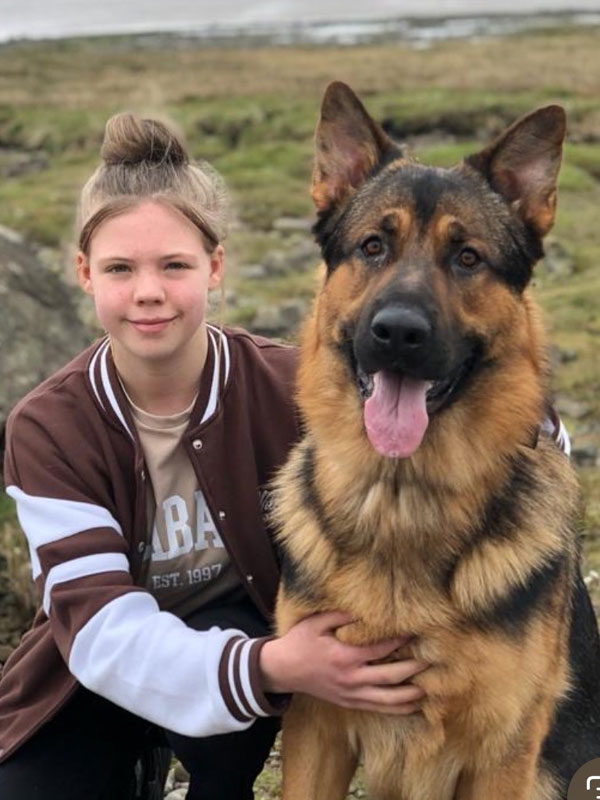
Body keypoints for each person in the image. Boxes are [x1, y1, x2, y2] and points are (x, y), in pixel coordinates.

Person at [0, 114, 428, 800]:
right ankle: (132, 767)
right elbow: (100, 634)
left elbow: (462, 405)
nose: (148, 292)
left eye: (175, 265)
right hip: (94, 673)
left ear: (216, 265)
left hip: (243, 660)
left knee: (229, 641)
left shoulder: (295, 383)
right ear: (84, 273)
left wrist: (541, 433)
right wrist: (274, 664)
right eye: (119, 268)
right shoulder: (48, 427)